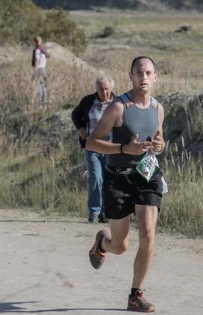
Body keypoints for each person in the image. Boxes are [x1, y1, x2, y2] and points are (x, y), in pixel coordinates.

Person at [86, 56, 166, 313]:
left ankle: (135, 295)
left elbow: (159, 139)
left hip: (147, 176)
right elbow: (91, 142)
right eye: (138, 72)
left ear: (156, 77)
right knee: (120, 246)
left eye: (148, 72)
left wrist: (160, 145)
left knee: (148, 233)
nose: (143, 76)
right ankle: (102, 242)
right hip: (118, 177)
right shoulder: (118, 107)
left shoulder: (158, 109)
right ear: (131, 76)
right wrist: (123, 148)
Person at [71, 75, 115, 223]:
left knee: (108, 180)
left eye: (107, 89)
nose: (104, 92)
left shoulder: (117, 103)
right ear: (96, 89)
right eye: (101, 89)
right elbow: (75, 115)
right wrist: (81, 130)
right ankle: (95, 212)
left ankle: (106, 212)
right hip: (92, 146)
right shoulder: (88, 101)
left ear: (111, 89)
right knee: (96, 178)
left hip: (111, 148)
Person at [31, 36, 50, 106]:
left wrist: (34, 72)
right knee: (44, 86)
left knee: (40, 86)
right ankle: (44, 102)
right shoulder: (43, 48)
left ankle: (41, 104)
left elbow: (36, 60)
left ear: (35, 42)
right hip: (43, 68)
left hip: (39, 69)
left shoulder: (37, 50)